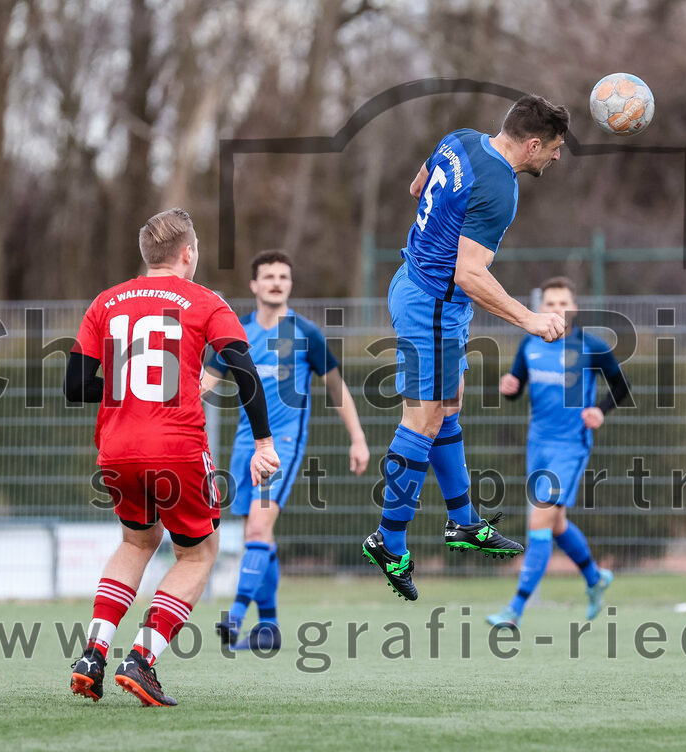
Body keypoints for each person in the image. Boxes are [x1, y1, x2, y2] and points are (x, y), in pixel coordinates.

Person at [66, 208, 280, 706]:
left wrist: (126, 391)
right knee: (198, 553)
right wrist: (265, 443)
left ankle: (93, 653)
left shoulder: (107, 301)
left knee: (137, 543)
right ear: (188, 253)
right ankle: (142, 658)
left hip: (117, 447)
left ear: (148, 255)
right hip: (176, 445)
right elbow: (244, 371)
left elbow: (75, 385)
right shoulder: (206, 301)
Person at [362, 95, 571, 600]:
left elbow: (418, 186)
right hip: (431, 303)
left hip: (422, 288)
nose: (556, 158)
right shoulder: (502, 186)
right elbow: (469, 272)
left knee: (447, 406)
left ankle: (463, 521)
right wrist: (531, 319)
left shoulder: (459, 140)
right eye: (555, 149)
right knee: (423, 420)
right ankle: (389, 542)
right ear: (534, 143)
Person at [202, 250, 370, 649]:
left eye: (283, 276)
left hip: (283, 446)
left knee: (258, 528)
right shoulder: (236, 335)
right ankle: (269, 629)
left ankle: (237, 616)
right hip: (246, 445)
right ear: (254, 285)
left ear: (290, 284)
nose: (276, 282)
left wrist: (358, 438)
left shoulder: (306, 334)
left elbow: (336, 388)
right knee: (258, 536)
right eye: (268, 276)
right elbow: (201, 386)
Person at [487, 277, 631, 629]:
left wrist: (600, 410)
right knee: (556, 524)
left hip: (570, 446)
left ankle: (515, 610)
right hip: (538, 445)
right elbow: (515, 387)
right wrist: (509, 388)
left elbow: (621, 387)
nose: (556, 309)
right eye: (550, 303)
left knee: (539, 519)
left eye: (563, 303)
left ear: (574, 308)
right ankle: (595, 578)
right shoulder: (529, 345)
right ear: (542, 308)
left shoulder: (591, 347)